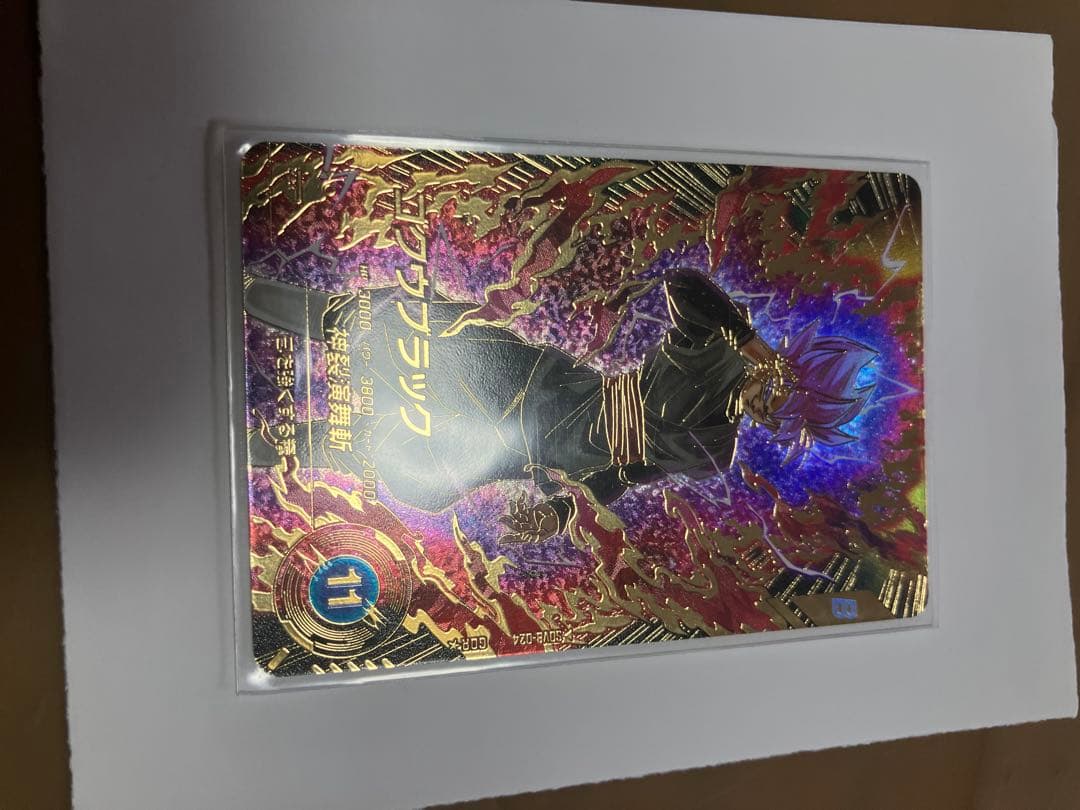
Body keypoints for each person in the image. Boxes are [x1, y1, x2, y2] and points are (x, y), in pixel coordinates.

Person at [246, 268, 874, 544]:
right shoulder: (714, 349)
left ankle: (285, 445)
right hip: (540, 389)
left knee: (423, 477)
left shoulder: (715, 452)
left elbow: (623, 476)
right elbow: (682, 286)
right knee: (411, 344)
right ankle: (274, 302)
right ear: (790, 365)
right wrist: (750, 341)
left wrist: (560, 510)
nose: (775, 411)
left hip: (539, 453)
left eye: (789, 417)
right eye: (787, 392)